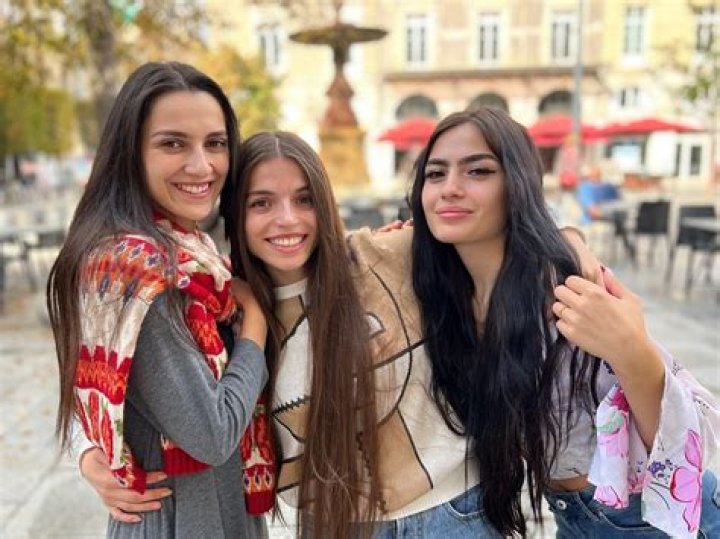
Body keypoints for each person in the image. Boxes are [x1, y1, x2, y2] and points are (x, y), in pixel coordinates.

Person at [76, 131, 602, 537]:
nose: (287, 220)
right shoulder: (221, 310)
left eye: (304, 199)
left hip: (452, 514)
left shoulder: (388, 254)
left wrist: (572, 243)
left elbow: (512, 225)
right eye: (261, 203)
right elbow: (132, 383)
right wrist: (87, 451)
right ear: (235, 213)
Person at [408, 107, 720, 538]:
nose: (450, 188)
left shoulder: (567, 287)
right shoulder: (445, 293)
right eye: (435, 174)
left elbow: (691, 440)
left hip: (656, 520)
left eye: (478, 171)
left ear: (517, 184)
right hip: (574, 519)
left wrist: (630, 350)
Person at [47, 61, 270, 538]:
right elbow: (213, 434)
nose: (202, 166)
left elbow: (103, 382)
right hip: (184, 520)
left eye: (215, 143)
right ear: (130, 152)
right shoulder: (142, 274)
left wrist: (87, 448)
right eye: (173, 144)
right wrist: (255, 326)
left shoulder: (190, 252)